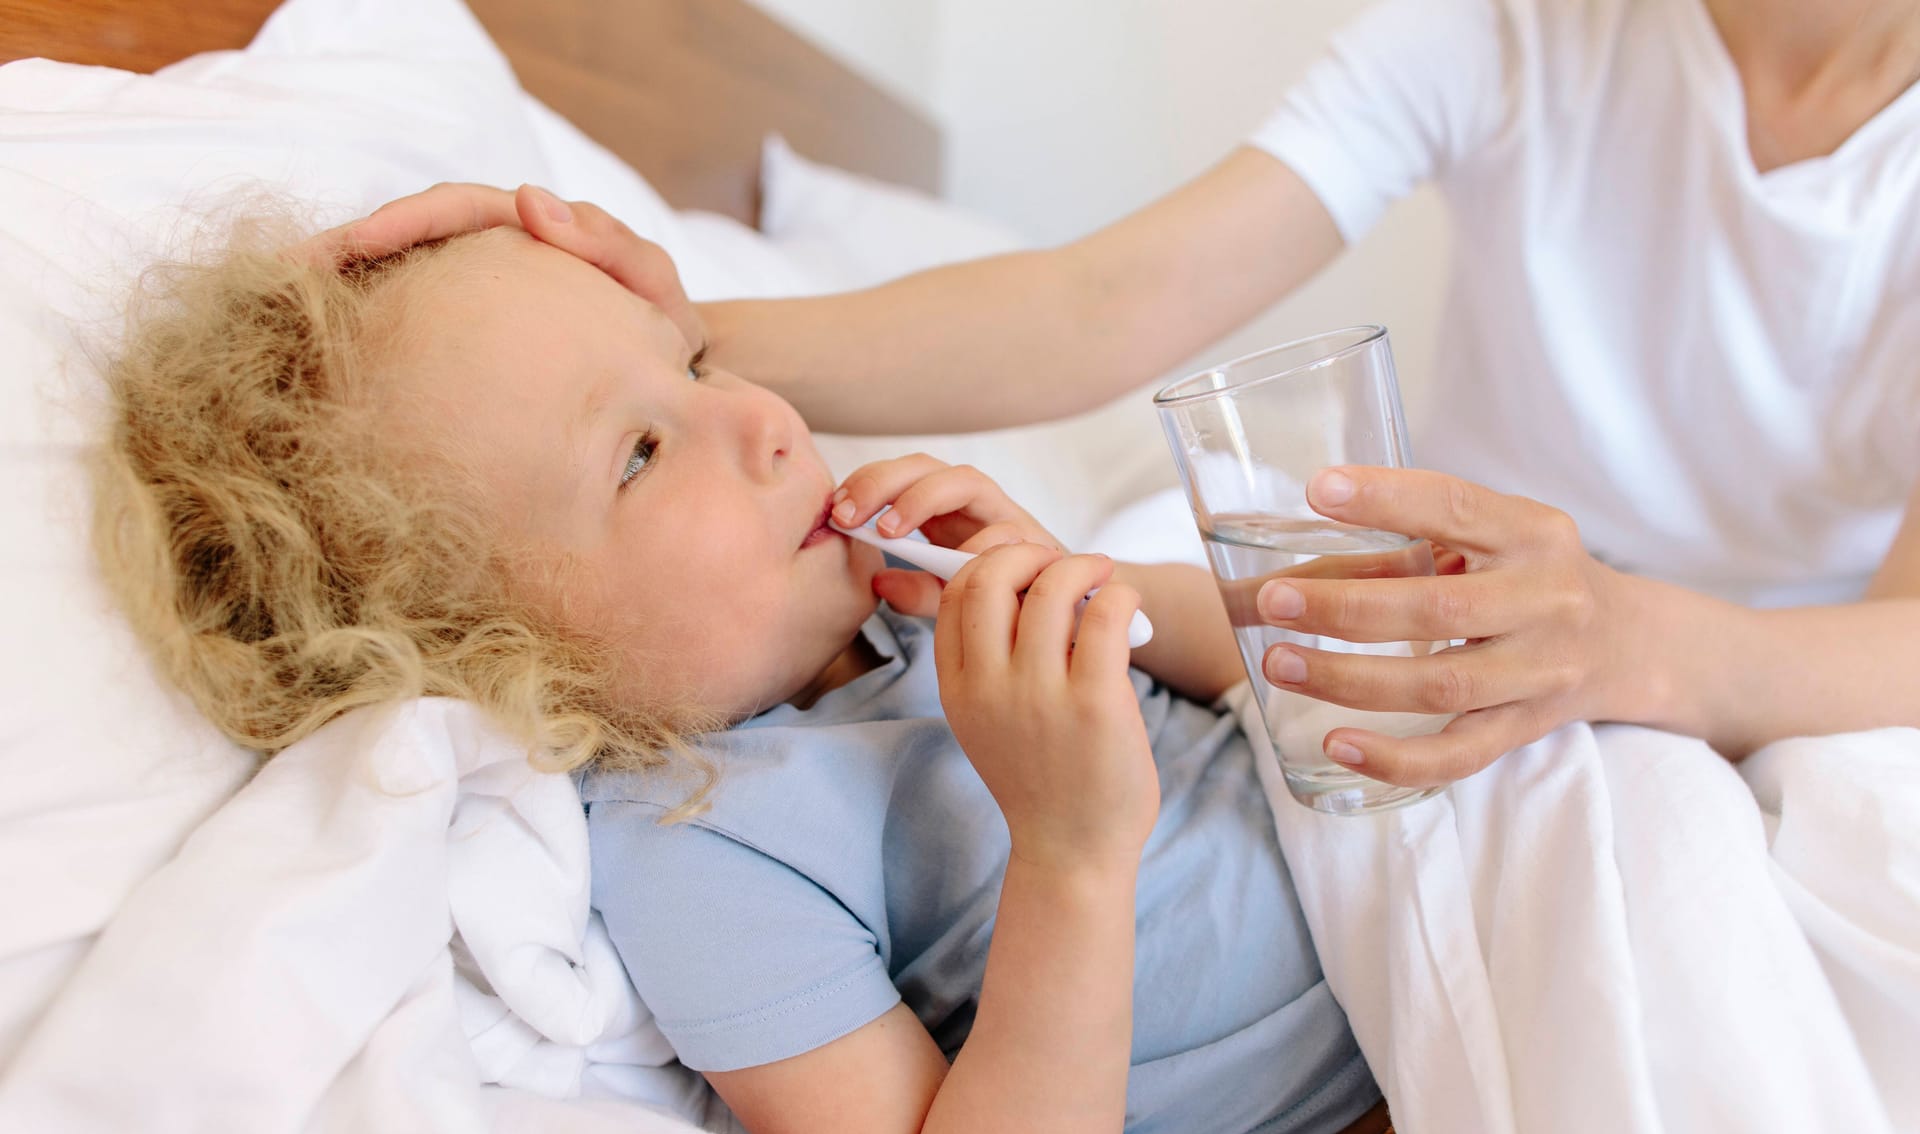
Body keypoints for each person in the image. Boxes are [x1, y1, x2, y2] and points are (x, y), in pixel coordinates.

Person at [96, 222, 1410, 1134]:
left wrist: (1081, 590)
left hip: (1424, 883)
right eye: (643, 453)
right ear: (503, 656)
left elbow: (1299, 672)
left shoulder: (899, 613)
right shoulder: (706, 837)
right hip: (1379, 1102)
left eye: (701, 366)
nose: (770, 423)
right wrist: (1071, 855)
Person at [336, 0, 1920, 790]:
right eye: (643, 437)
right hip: (1453, 614)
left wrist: (1636, 646)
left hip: (1789, 678)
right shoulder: (1510, 26)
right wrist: (675, 337)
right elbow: (1107, 306)